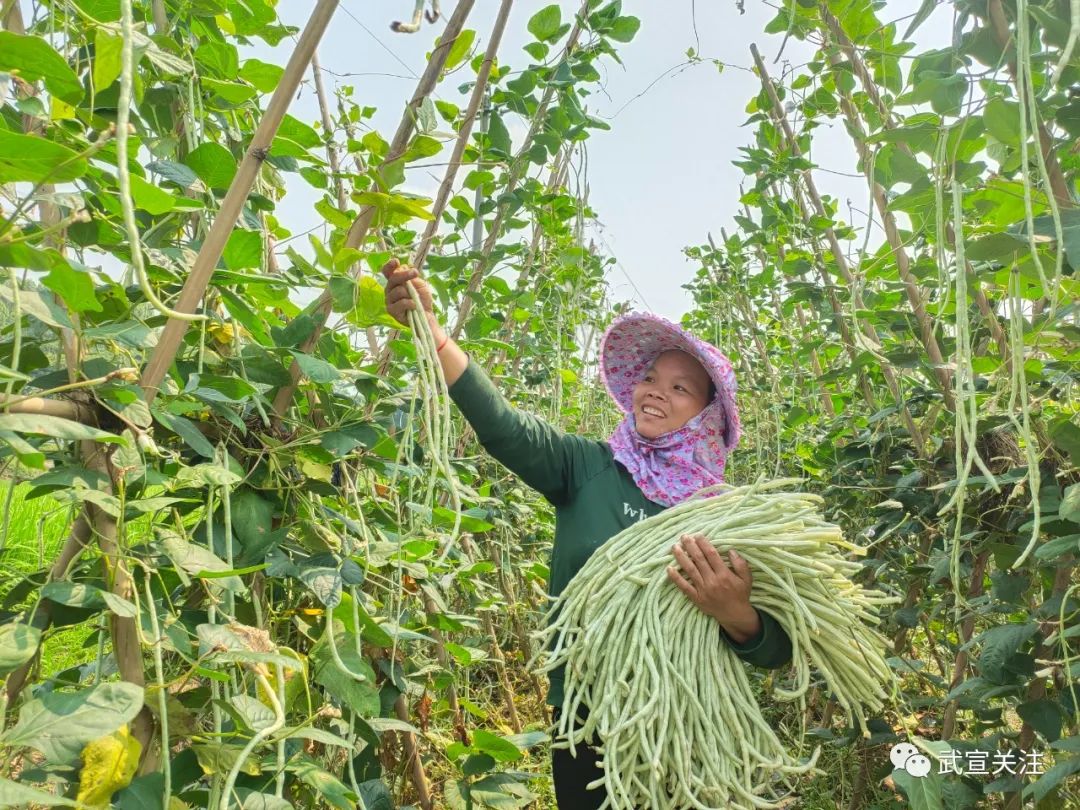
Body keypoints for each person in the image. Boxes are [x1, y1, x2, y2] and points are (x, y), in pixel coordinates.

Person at [381, 258, 792, 809]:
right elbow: (505, 426)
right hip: (584, 718)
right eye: (648, 378)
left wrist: (735, 612)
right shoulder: (588, 467)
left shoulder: (722, 515)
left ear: (708, 415)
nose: (654, 391)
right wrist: (435, 334)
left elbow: (776, 650)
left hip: (688, 723)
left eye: (680, 388)